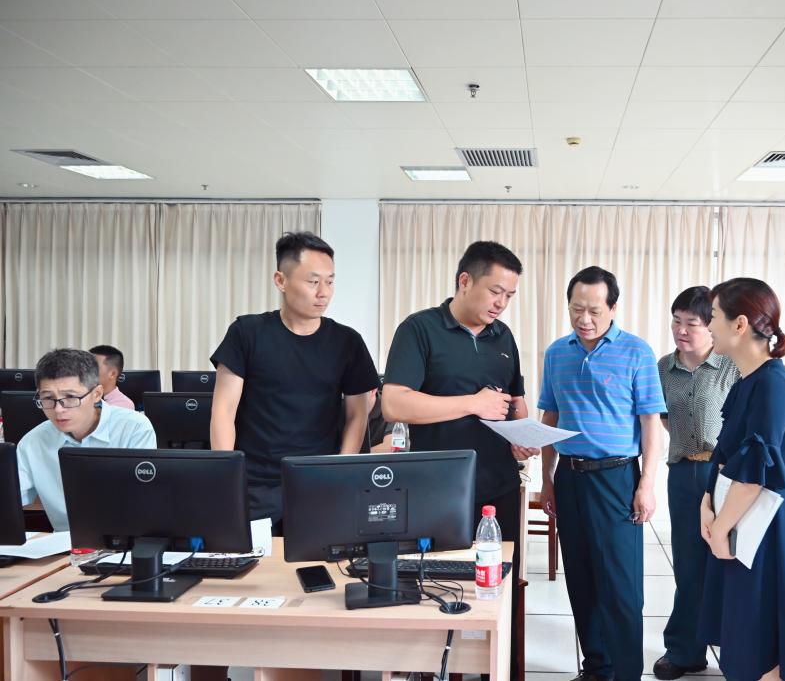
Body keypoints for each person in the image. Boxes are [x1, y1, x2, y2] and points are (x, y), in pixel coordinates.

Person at [382, 240, 537, 678]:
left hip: (497, 488)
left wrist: (522, 435)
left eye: (509, 295)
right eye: (495, 291)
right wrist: (471, 403)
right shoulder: (419, 329)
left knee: (497, 588)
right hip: (436, 491)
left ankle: (495, 669)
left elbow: (515, 399)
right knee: (437, 588)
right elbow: (394, 403)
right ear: (464, 281)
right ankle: (430, 669)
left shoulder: (503, 337)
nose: (501, 303)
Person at [537, 266, 665, 681]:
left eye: (594, 310)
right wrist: (547, 481)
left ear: (613, 308)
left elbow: (650, 423)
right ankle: (596, 667)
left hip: (616, 477)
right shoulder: (557, 353)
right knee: (580, 578)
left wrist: (647, 484)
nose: (584, 319)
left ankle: (626, 673)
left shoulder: (637, 352)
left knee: (620, 585)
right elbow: (549, 417)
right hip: (569, 477)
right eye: (576, 309)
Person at [210, 231, 379, 529]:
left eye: (330, 281)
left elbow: (357, 415)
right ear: (281, 280)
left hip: (318, 484)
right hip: (254, 485)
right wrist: (226, 478)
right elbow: (223, 411)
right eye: (313, 282)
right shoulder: (246, 333)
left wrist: (339, 470)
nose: (324, 292)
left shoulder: (347, 342)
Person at [698, 277, 785, 681]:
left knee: (757, 637)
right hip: (737, 520)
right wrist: (707, 508)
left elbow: (755, 476)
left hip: (763, 526)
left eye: (713, 316)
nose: (708, 325)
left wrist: (720, 527)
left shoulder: (773, 384)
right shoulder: (747, 381)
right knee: (739, 631)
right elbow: (727, 455)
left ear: (740, 324)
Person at [654, 286, 741, 680]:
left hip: (726, 475)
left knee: (728, 562)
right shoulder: (663, 367)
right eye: (676, 321)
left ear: (712, 327)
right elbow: (661, 417)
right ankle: (684, 651)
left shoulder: (731, 366)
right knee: (688, 567)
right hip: (683, 474)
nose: (681, 330)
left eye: (692, 322)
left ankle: (736, 649)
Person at [17, 348, 156, 531]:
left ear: (96, 394)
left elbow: (143, 502)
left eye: (70, 397)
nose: (58, 409)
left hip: (127, 541)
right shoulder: (33, 442)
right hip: (63, 544)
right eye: (48, 398)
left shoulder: (133, 428)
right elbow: (12, 499)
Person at [89, 345, 135, 410]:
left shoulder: (123, 405)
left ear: (112, 374)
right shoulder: (81, 396)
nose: (86, 370)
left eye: (93, 367)